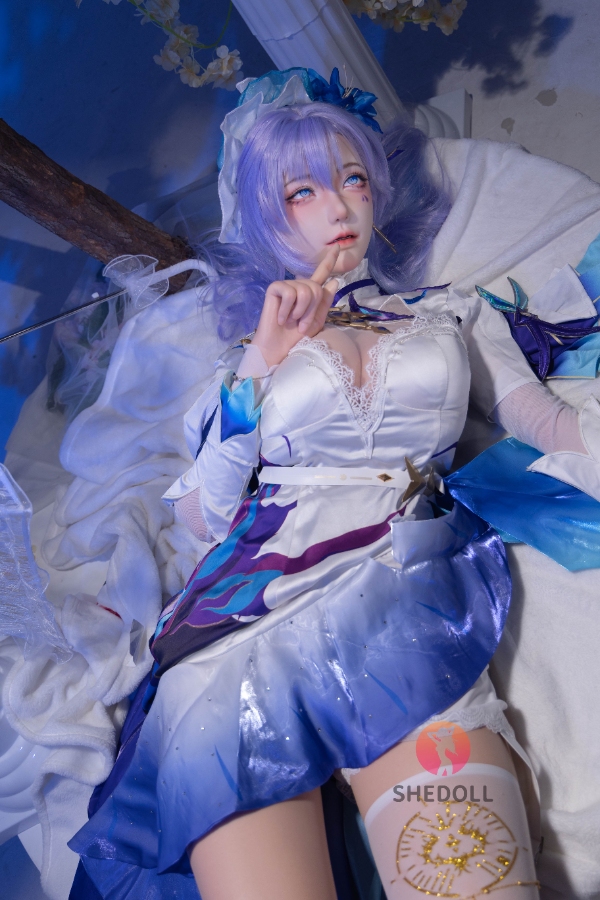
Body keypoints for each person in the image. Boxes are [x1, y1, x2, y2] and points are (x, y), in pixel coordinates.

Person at [70, 67, 600, 900]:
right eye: (302, 191)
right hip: (236, 632)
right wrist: (260, 362)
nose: (339, 206)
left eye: (352, 178)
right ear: (264, 218)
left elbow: (547, 423)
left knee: (472, 880)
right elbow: (205, 519)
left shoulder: (451, 311)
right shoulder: (243, 360)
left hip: (398, 609)